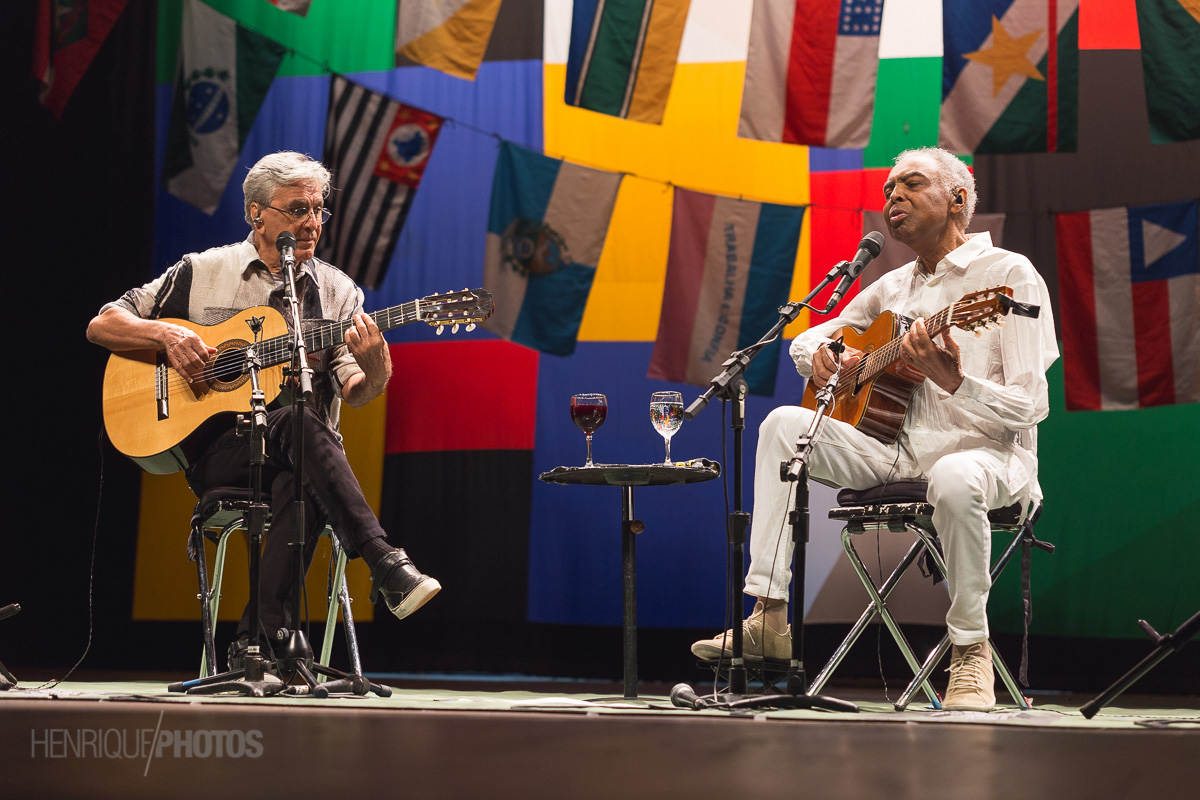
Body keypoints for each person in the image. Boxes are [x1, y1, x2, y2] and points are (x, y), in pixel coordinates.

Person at [691, 147, 1059, 711]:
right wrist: (823, 355)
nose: (893, 198)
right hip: (898, 453)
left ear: (958, 199)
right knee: (784, 425)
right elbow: (811, 337)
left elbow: (1032, 406)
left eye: (910, 185)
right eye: (888, 191)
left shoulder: (1007, 278)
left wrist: (957, 383)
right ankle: (768, 613)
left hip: (990, 459)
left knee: (956, 475)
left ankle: (970, 651)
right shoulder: (893, 287)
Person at [87, 151, 440, 670]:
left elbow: (356, 390)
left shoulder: (337, 292)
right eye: (298, 209)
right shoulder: (201, 270)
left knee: (300, 480)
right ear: (257, 213)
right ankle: (385, 563)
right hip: (216, 449)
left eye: (319, 210)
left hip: (304, 457)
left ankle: (254, 648)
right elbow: (102, 324)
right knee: (301, 432)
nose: (312, 223)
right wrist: (166, 332)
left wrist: (376, 368)